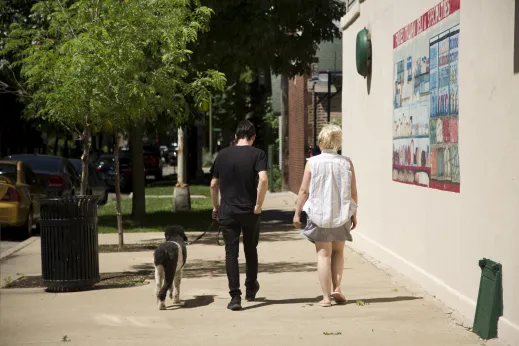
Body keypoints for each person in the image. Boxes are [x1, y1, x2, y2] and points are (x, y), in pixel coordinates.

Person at [293, 125, 358, 307]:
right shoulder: (346, 162)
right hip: (341, 214)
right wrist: (354, 215)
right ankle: (337, 287)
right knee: (338, 252)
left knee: (323, 255)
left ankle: (326, 298)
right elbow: (353, 191)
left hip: (319, 215)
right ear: (338, 142)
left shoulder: (312, 162)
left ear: (321, 142)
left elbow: (304, 190)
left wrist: (297, 212)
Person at [210, 120, 269, 311]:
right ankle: (251, 287)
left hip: (228, 211)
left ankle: (235, 297)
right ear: (253, 137)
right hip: (250, 211)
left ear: (236, 137)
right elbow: (263, 179)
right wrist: (258, 205)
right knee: (251, 250)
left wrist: (215, 207)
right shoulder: (258, 154)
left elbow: (213, 184)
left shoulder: (222, 154)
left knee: (231, 253)